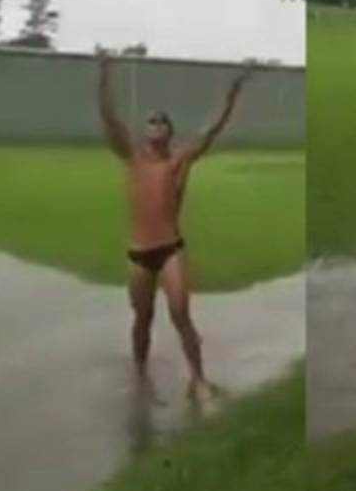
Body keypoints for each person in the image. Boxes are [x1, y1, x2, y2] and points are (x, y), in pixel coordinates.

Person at [97, 54, 252, 399]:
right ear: (145, 130)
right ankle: (140, 375)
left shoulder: (180, 159)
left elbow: (211, 130)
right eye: (150, 121)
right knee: (142, 318)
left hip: (170, 248)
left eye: (161, 121)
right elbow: (110, 121)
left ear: (169, 131)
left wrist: (232, 93)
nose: (155, 125)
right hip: (138, 252)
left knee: (181, 313)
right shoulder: (132, 156)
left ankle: (198, 379)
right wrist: (104, 80)